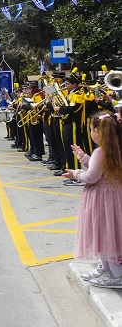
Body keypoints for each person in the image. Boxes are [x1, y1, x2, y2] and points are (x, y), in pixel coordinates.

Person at [62, 113, 122, 288]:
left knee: (104, 233)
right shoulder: (115, 149)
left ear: (97, 131)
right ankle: (107, 269)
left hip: (102, 198)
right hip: (114, 196)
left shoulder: (100, 151)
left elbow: (91, 177)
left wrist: (75, 173)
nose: (90, 133)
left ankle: (117, 274)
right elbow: (101, 169)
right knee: (110, 234)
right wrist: (83, 158)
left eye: (91, 129)